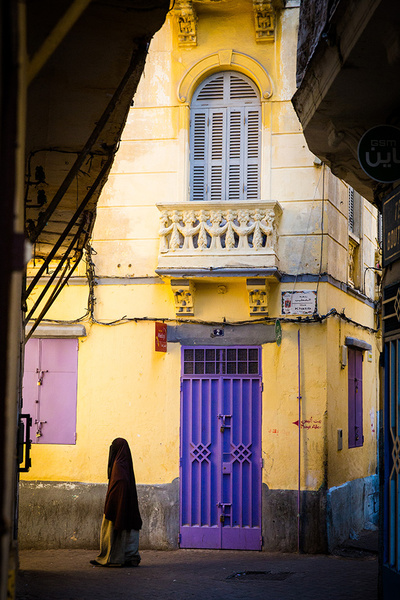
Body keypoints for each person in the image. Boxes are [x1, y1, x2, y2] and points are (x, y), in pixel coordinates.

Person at [90, 438, 142, 567]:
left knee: (112, 532)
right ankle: (130, 557)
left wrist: (113, 508)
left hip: (116, 507)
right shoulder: (126, 465)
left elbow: (118, 487)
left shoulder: (118, 466)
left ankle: (111, 558)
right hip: (127, 507)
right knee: (129, 531)